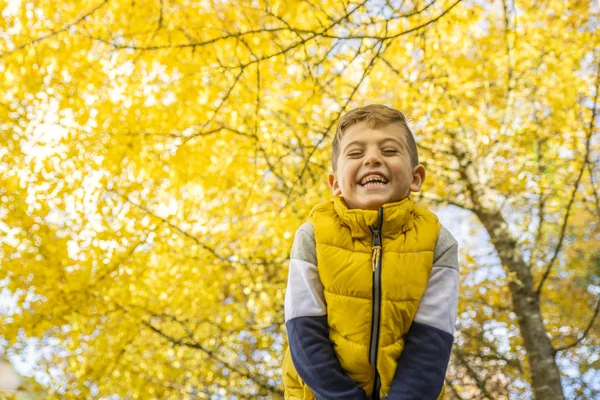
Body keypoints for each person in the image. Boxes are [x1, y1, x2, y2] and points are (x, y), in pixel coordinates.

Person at [281, 104, 459, 400]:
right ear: (336, 183)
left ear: (416, 178)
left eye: (389, 151)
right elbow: (304, 331)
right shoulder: (312, 236)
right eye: (355, 153)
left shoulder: (438, 242)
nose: (373, 158)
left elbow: (432, 341)